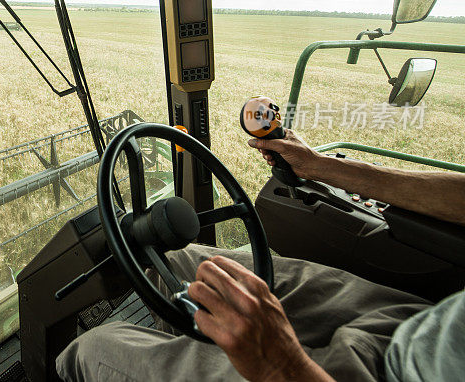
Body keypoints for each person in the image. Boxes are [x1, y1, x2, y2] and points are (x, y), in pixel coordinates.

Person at [56, 130, 465, 381]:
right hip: (418, 321)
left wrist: (279, 367)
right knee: (198, 262)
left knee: (94, 349)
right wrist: (319, 166)